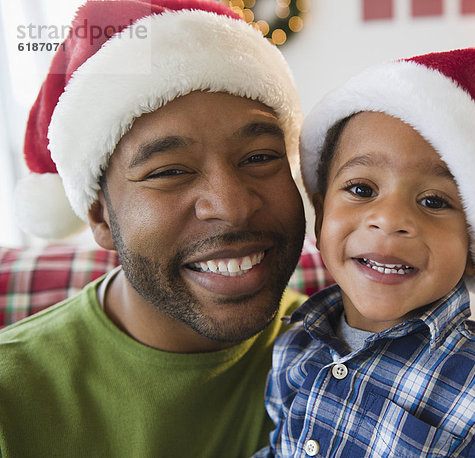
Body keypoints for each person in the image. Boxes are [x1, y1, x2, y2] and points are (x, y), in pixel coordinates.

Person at [1, 1, 306, 456]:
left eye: (260, 157)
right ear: (100, 218)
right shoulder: (11, 396)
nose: (233, 206)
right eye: (169, 171)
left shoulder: (346, 355)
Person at [259, 48, 475, 457]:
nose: (390, 219)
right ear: (321, 212)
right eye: (362, 189)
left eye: (434, 201)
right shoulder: (293, 348)